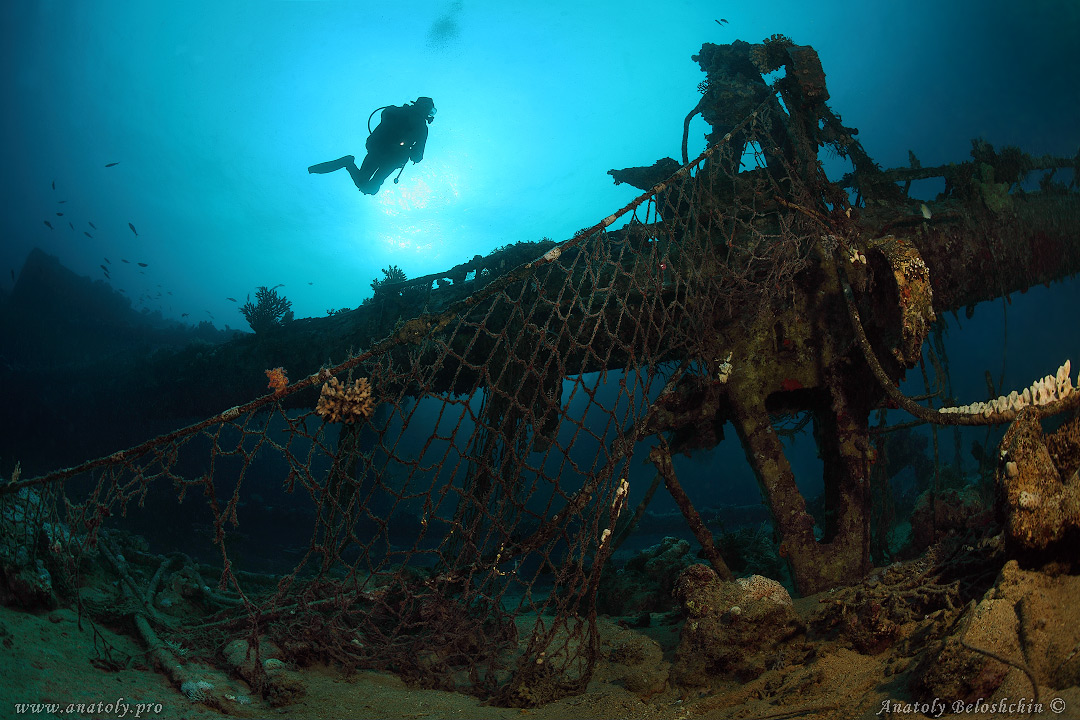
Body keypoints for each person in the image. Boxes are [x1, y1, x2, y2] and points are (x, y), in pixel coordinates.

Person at [308, 97, 436, 195]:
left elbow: (384, 117)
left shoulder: (399, 111)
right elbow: (418, 155)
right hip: (389, 156)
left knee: (368, 187)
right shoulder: (421, 127)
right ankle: (347, 163)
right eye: (430, 110)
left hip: (379, 151)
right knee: (369, 188)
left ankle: (347, 162)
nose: (429, 113)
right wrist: (413, 153)